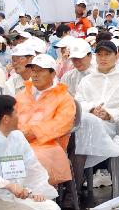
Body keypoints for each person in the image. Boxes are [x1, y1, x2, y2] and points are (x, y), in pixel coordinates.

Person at [75, 41, 119, 187]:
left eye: (107, 54)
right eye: (99, 54)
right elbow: (77, 102)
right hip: (87, 122)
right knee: (79, 129)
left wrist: (109, 114)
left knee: (94, 126)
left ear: (116, 56)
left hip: (113, 125)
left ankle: (95, 172)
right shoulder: (87, 80)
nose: (103, 58)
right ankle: (75, 178)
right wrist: (91, 109)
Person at [15, 54, 76, 185]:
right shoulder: (22, 94)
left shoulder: (64, 97)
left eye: (41, 71)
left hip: (49, 145)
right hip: (18, 142)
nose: (35, 75)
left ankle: (38, 198)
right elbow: (9, 118)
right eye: (33, 70)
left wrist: (33, 133)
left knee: (30, 158)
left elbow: (61, 124)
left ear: (53, 74)